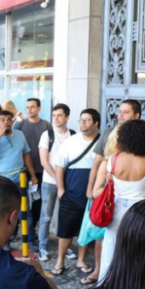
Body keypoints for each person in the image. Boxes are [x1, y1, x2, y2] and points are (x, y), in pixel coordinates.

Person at [81, 99, 142, 283]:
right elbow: (97, 162)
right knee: (102, 233)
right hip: (106, 191)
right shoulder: (109, 132)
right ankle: (99, 271)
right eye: (119, 111)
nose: (120, 115)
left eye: (125, 112)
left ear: (137, 115)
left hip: (132, 196)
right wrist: (90, 188)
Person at [93, 120, 145, 283]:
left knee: (110, 250)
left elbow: (98, 191)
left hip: (115, 210)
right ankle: (132, 288)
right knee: (137, 254)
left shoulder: (113, 160)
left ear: (123, 138)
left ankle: (104, 287)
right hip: (141, 212)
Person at [51, 109, 100, 279]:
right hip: (71, 193)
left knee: (85, 229)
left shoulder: (102, 142)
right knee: (65, 229)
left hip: (92, 195)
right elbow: (59, 166)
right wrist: (61, 188)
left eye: (87, 120)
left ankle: (81, 260)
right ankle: (60, 261)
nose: (82, 123)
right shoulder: (71, 141)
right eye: (81, 120)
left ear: (96, 123)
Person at [37, 103, 74, 263]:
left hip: (69, 183)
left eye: (59, 115)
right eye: (54, 115)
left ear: (67, 117)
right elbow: (44, 162)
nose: (56, 118)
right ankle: (42, 247)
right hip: (49, 182)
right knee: (46, 216)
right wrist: (59, 181)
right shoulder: (47, 135)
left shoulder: (73, 135)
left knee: (65, 216)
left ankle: (64, 247)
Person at [15, 98, 51, 250]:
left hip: (42, 169)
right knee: (24, 205)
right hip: (23, 171)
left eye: (33, 107)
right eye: (27, 107)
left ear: (39, 108)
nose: (30, 110)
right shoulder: (20, 125)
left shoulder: (46, 125)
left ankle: (32, 230)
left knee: (38, 203)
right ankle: (27, 235)